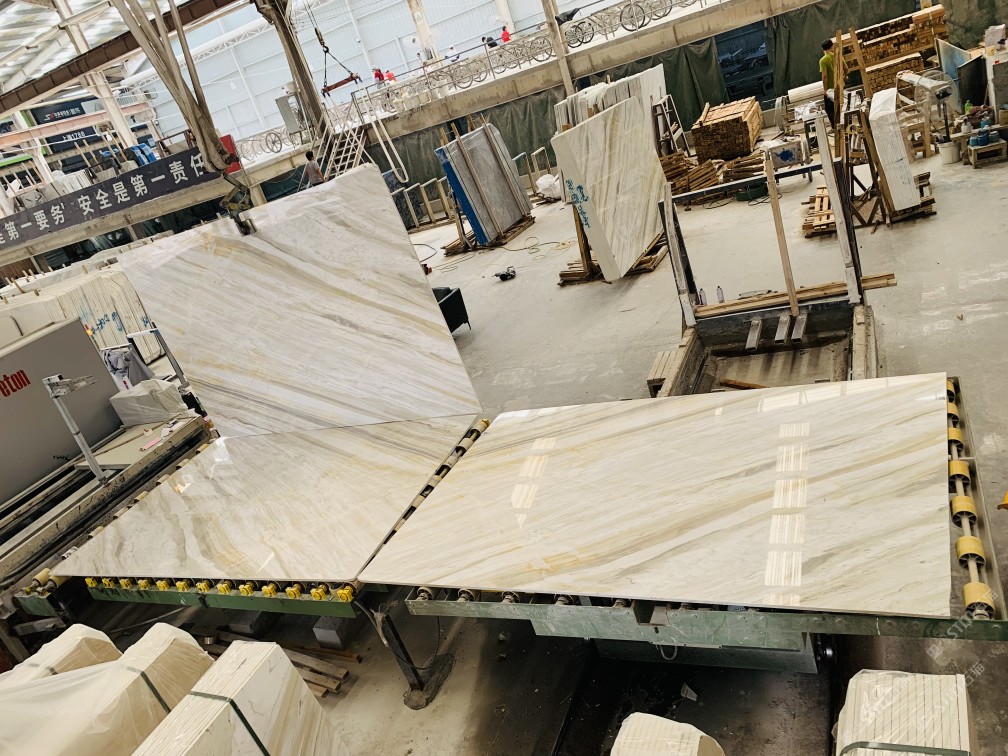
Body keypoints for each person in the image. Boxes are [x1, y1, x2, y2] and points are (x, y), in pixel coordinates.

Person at [820, 38, 836, 129]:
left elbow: (824, 75)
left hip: (830, 90)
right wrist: (845, 76)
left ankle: (835, 128)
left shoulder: (823, 60)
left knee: (830, 109)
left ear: (822, 49)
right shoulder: (837, 57)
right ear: (832, 47)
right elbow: (846, 69)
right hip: (839, 86)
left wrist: (825, 89)